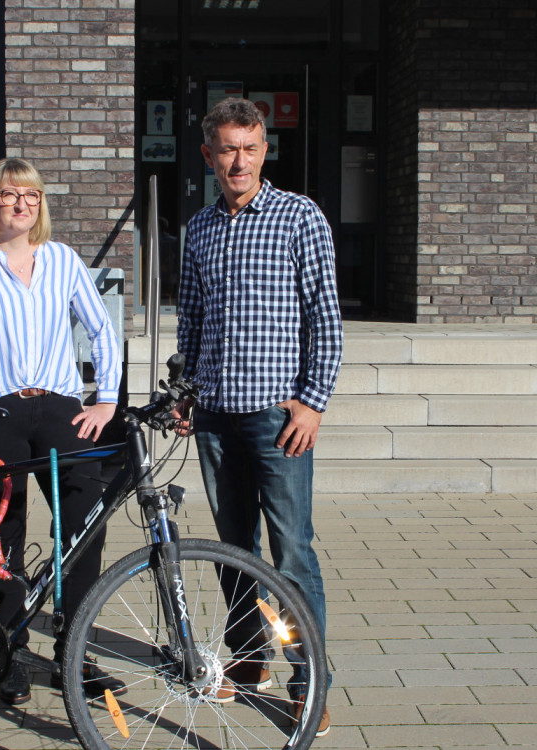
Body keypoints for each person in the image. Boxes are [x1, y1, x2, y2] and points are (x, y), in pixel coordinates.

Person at [0, 157, 124, 706]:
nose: (21, 204)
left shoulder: (62, 259)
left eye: (31, 195)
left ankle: (73, 653)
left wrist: (107, 399)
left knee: (85, 524)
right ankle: (6, 651)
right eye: (10, 194)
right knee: (3, 532)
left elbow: (102, 330)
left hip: (61, 408)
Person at [175, 97, 342, 736]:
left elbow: (326, 318)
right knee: (233, 548)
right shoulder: (200, 228)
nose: (238, 161)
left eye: (249, 148)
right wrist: (185, 391)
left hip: (278, 417)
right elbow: (191, 319)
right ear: (208, 155)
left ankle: (309, 682)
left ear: (264, 150)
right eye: (227, 149)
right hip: (216, 415)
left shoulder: (300, 217)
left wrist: (313, 401)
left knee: (292, 551)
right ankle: (249, 657)